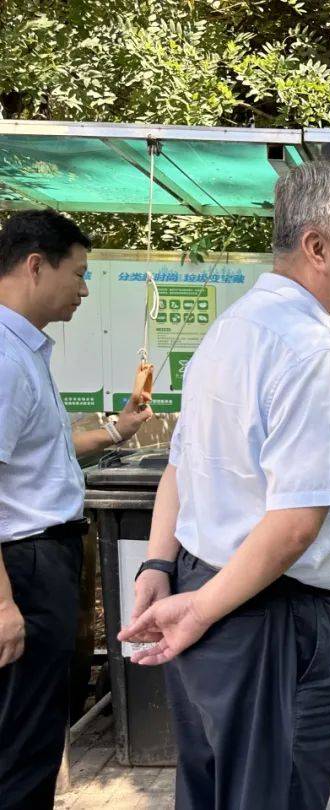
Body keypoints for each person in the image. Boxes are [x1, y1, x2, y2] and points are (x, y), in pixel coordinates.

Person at [120, 162, 330, 810]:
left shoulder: (230, 330)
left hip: (206, 598)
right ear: (318, 248)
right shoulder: (312, 350)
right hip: (272, 621)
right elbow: (296, 523)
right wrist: (200, 608)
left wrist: (160, 564)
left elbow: (180, 464)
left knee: (211, 791)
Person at [0, 210, 154, 810]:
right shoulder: (6, 360)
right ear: (36, 265)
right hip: (24, 566)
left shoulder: (24, 352)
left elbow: (46, 448)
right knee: (24, 741)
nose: (85, 291)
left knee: (36, 731)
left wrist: (117, 431)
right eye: (80, 274)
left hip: (41, 560)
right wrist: (4, 603)